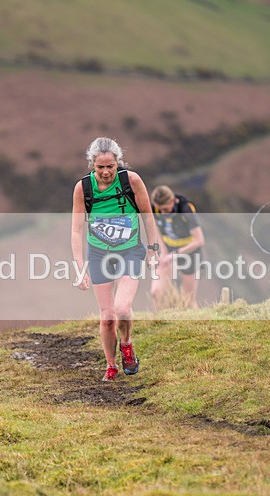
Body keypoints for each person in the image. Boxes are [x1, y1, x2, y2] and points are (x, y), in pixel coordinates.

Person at [71, 137, 161, 382]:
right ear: (92, 165)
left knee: (122, 308)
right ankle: (111, 366)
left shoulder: (131, 180)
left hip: (130, 251)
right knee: (108, 316)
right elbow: (76, 230)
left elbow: (148, 216)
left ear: (117, 163)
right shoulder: (83, 188)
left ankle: (127, 345)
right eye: (100, 167)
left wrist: (152, 249)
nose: (106, 172)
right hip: (99, 254)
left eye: (110, 166)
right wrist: (80, 267)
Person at [150, 185, 206, 309]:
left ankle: (196, 324)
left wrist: (175, 254)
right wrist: (164, 252)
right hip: (168, 252)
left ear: (172, 201)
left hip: (190, 253)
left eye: (166, 209)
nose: (163, 212)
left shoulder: (185, 209)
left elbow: (199, 241)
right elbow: (157, 230)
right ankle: (159, 322)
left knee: (187, 300)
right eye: (161, 209)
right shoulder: (155, 209)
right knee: (156, 292)